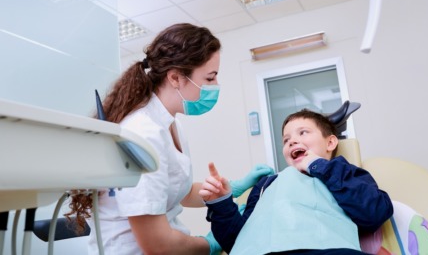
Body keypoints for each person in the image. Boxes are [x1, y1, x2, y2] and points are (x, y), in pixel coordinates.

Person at [65, 23, 273, 255]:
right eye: (211, 78)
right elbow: (158, 245)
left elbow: (178, 192)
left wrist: (229, 190)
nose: (216, 86)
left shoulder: (169, 123)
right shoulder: (142, 133)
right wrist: (210, 244)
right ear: (175, 77)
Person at [199, 109, 394, 255]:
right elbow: (238, 241)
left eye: (303, 133)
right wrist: (222, 204)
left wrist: (318, 166)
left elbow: (374, 212)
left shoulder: (344, 172)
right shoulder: (266, 185)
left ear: (331, 143)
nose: (292, 141)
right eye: (286, 140)